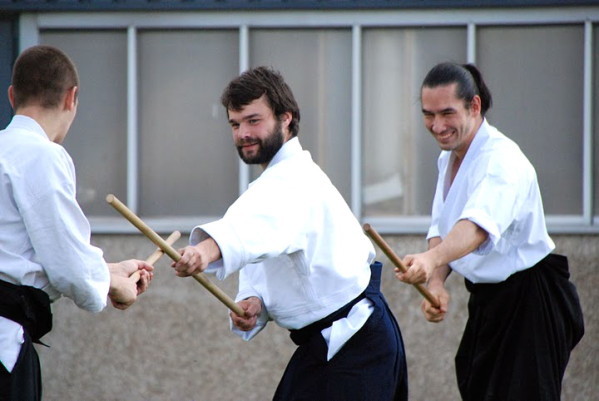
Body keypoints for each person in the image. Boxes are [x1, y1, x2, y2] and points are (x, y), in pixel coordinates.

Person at [172, 66, 407, 400]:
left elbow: (256, 224)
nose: (243, 133)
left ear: (286, 118)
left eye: (254, 121)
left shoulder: (294, 180)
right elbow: (270, 246)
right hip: (340, 342)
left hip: (353, 342)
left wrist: (205, 252)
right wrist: (256, 304)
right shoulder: (274, 185)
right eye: (235, 124)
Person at [397, 62, 585, 401]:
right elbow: (443, 227)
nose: (437, 125)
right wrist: (436, 281)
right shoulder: (449, 158)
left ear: (474, 106)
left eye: (446, 113)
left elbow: (477, 228)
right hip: (489, 301)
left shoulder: (502, 160)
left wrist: (430, 258)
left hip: (531, 301)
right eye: (428, 114)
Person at [0, 45, 154, 401]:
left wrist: (113, 268)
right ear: (72, 98)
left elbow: (28, 253)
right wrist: (117, 287)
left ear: (12, 95)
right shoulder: (43, 155)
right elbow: (69, 269)